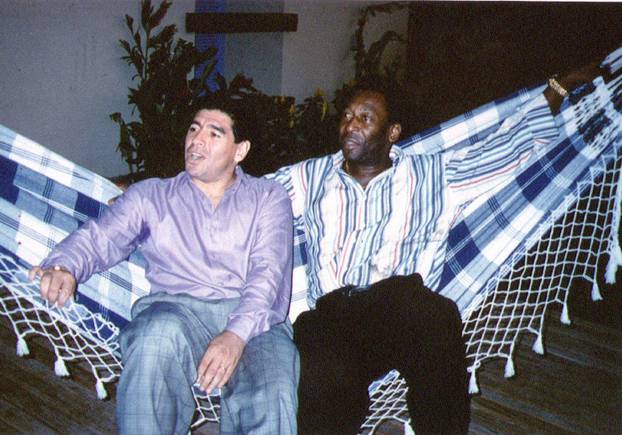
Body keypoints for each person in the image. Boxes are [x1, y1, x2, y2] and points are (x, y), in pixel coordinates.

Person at [274, 61, 604, 434]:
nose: (350, 126)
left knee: (438, 319)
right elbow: (247, 196)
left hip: (399, 306)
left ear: (393, 131)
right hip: (332, 315)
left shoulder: (433, 174)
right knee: (324, 382)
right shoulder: (308, 177)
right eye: (347, 116)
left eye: (365, 118)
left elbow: (506, 151)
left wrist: (557, 90)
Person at [29, 101, 299, 434]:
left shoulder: (268, 197)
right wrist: (64, 265)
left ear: (239, 150)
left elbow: (268, 275)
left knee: (272, 391)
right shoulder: (151, 197)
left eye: (214, 133)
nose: (197, 140)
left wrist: (235, 335)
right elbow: (103, 237)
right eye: (194, 128)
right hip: (175, 312)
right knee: (152, 341)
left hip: (254, 321)